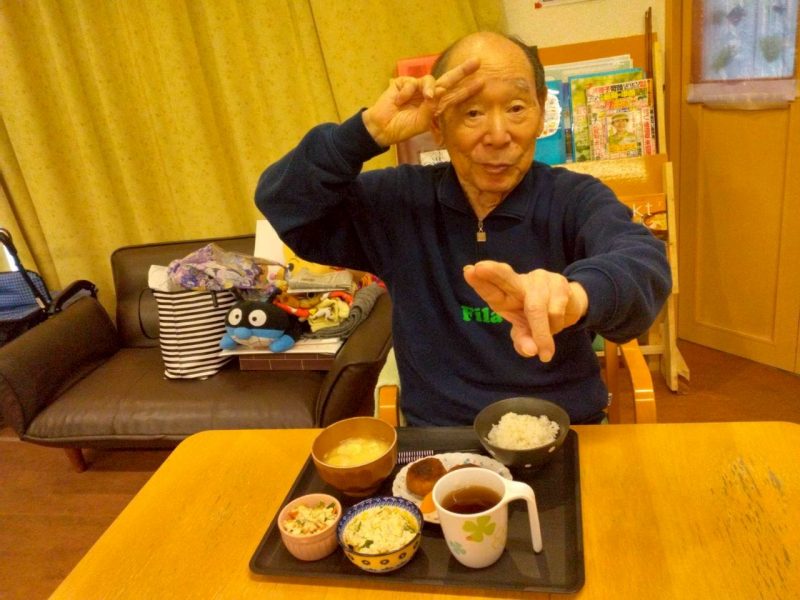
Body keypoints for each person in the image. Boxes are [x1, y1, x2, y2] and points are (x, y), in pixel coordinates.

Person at [255, 31, 671, 426]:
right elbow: (284, 204)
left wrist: (575, 296)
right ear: (438, 124)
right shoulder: (398, 201)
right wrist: (366, 134)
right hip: (440, 437)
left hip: (563, 427)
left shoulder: (574, 198)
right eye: (472, 112)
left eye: (516, 108)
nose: (498, 135)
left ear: (542, 111)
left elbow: (643, 263)